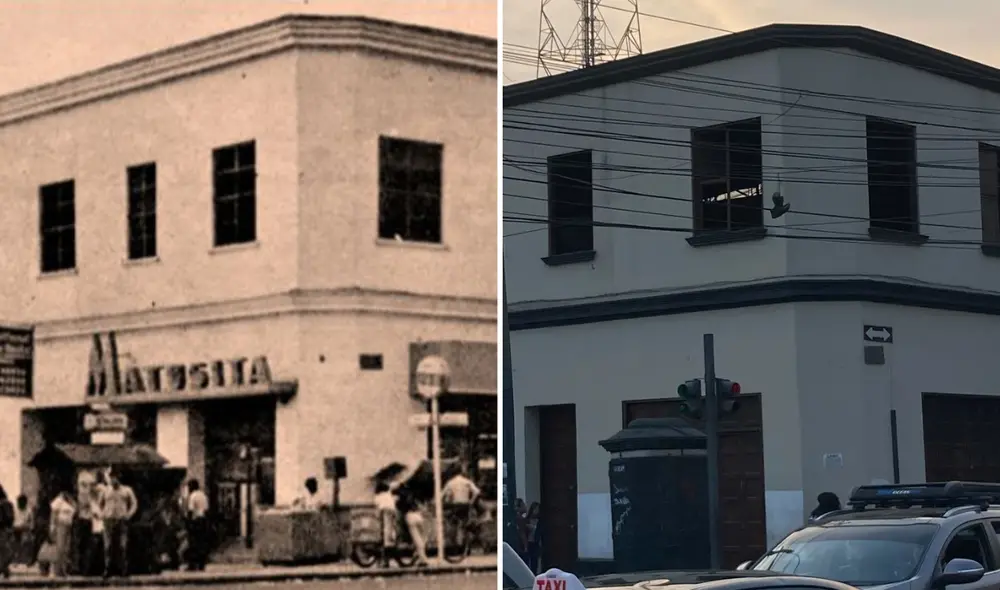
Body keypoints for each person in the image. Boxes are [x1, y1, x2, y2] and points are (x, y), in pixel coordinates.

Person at [98, 472, 137, 577]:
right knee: (108, 545)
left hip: (121, 520)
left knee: (122, 545)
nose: (113, 480)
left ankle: (123, 569)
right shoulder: (106, 490)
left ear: (119, 479)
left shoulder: (126, 490)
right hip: (109, 520)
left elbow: (134, 503)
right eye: (111, 478)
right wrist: (102, 514)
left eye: (115, 478)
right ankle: (107, 569)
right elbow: (99, 503)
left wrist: (128, 514)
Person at [442, 466, 481, 544]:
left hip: (455, 505)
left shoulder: (451, 482)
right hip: (465, 505)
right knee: (466, 523)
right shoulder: (466, 481)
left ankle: (455, 541)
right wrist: (471, 501)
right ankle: (467, 541)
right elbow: (477, 491)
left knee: (453, 522)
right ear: (461, 472)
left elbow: (442, 494)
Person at [396, 488, 428, 566]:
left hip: (410, 517)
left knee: (417, 539)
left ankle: (423, 560)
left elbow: (399, 516)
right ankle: (418, 554)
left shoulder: (399, 502)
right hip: (418, 516)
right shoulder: (413, 499)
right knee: (424, 537)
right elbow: (422, 508)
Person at [49, 489, 76, 577]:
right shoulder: (59, 500)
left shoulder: (71, 501)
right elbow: (53, 514)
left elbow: (75, 510)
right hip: (60, 524)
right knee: (60, 548)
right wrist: (52, 526)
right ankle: (56, 570)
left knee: (66, 548)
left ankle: (63, 569)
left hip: (69, 525)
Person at [184, 479, 210, 572]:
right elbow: (206, 510)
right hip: (203, 521)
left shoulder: (193, 496)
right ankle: (201, 564)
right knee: (201, 543)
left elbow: (190, 511)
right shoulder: (203, 496)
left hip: (196, 521)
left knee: (193, 543)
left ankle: (192, 564)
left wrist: (188, 522)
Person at [373, 482, 397, 567]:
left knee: (384, 537)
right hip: (392, 512)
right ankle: (386, 561)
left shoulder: (378, 497)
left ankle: (383, 562)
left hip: (384, 513)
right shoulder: (388, 495)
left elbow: (376, 507)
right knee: (389, 536)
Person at [13, 495, 34, 566]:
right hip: (16, 529)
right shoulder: (14, 509)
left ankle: (27, 559)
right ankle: (16, 560)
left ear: (25, 502)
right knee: (16, 544)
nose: (20, 504)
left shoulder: (29, 510)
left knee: (28, 543)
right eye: (19, 502)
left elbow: (31, 521)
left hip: (25, 529)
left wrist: (30, 528)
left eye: (22, 502)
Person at [0, 485, 15, 578]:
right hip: (5, 529)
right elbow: (11, 518)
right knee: (5, 550)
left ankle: (4, 569)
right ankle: (5, 569)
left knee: (4, 550)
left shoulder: (4, 504)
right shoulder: (7, 503)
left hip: (2, 529)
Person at [526, 502, 542, 574]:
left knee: (535, 560)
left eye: (538, 509)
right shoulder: (527, 519)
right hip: (529, 542)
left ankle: (535, 573)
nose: (537, 511)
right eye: (535, 509)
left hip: (536, 541)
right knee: (530, 559)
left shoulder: (540, 520)